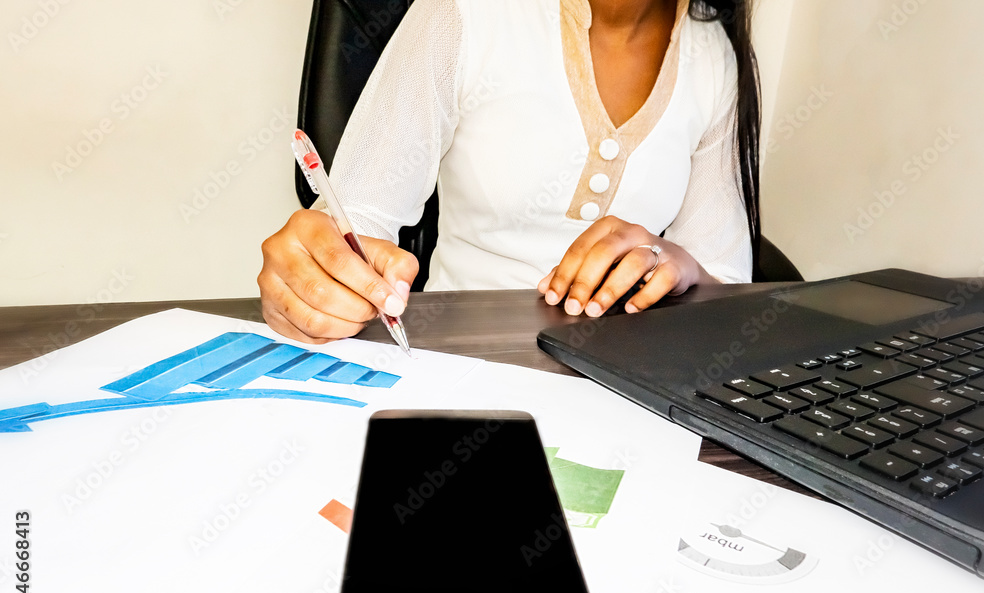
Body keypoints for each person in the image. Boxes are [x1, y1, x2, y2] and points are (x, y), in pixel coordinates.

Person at [259, 0, 760, 344]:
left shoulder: (713, 55)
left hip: (624, 381)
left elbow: (726, 281)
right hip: (462, 357)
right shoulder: (465, 13)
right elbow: (355, 224)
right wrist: (314, 283)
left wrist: (679, 264)